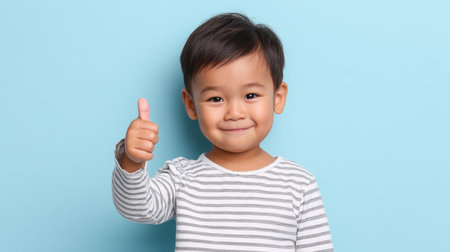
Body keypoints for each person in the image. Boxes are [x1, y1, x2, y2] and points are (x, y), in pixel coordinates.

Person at [112, 12, 333, 252]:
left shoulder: (299, 184)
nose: (234, 113)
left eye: (250, 96)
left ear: (277, 98)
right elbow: (136, 208)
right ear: (191, 105)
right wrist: (132, 161)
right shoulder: (182, 178)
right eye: (216, 98)